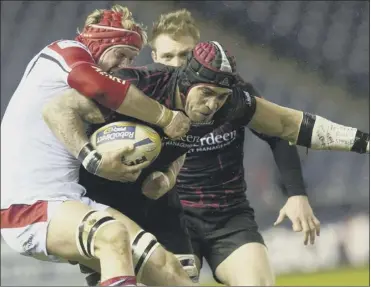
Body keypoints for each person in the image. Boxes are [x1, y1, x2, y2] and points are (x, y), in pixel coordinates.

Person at [45, 38, 369, 287]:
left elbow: (288, 125)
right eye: (207, 93)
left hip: (174, 210)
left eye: (221, 97)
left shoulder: (231, 103)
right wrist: (91, 157)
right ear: (186, 81)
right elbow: (58, 110)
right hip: (102, 208)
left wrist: (365, 142)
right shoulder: (139, 85)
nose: (213, 105)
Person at [0, 5, 194, 287]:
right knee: (112, 235)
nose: (124, 65)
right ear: (100, 43)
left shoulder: (82, 89)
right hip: (29, 205)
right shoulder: (62, 52)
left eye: (131, 58)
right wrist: (164, 117)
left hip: (70, 200)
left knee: (167, 267)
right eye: (121, 54)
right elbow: (99, 86)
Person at [148, 9, 324, 286]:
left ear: (199, 52)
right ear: (154, 58)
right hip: (170, 221)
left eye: (184, 55)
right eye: (167, 56)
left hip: (229, 219)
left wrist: (296, 194)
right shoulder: (144, 100)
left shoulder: (233, 93)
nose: (176, 64)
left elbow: (278, 133)